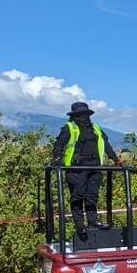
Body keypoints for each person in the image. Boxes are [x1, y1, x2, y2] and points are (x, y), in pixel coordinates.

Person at [51, 101, 121, 237]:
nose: (83, 116)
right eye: (80, 114)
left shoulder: (96, 129)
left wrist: (116, 160)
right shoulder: (70, 128)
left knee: (92, 195)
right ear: (75, 115)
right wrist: (57, 159)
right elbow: (58, 145)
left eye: (85, 114)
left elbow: (106, 145)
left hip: (95, 166)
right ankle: (79, 224)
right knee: (78, 195)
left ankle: (93, 221)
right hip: (77, 167)